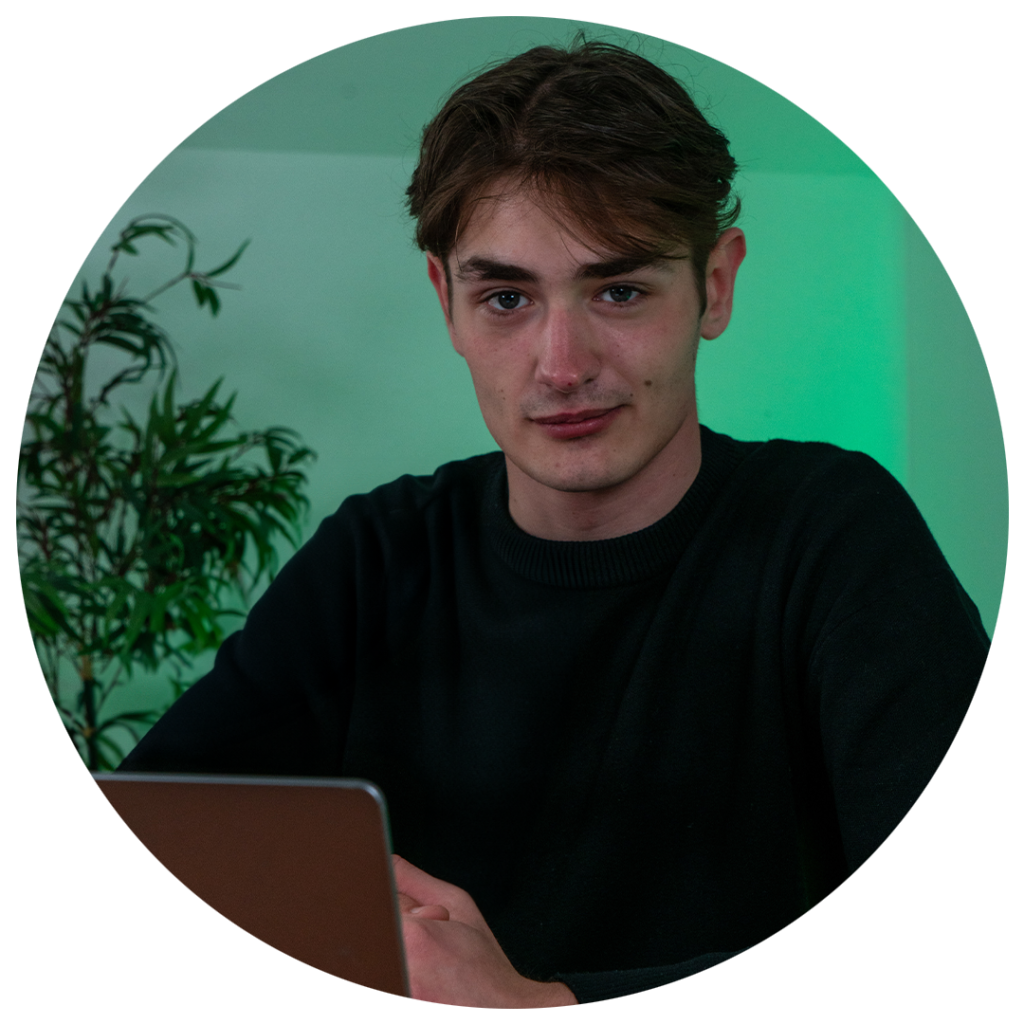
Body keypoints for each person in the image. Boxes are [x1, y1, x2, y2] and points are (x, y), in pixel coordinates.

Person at [117, 39, 990, 1006]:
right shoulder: (374, 555)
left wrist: (544, 1004)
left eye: (619, 291)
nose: (563, 365)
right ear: (446, 303)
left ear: (716, 284)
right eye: (505, 298)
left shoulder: (835, 538)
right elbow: (165, 835)